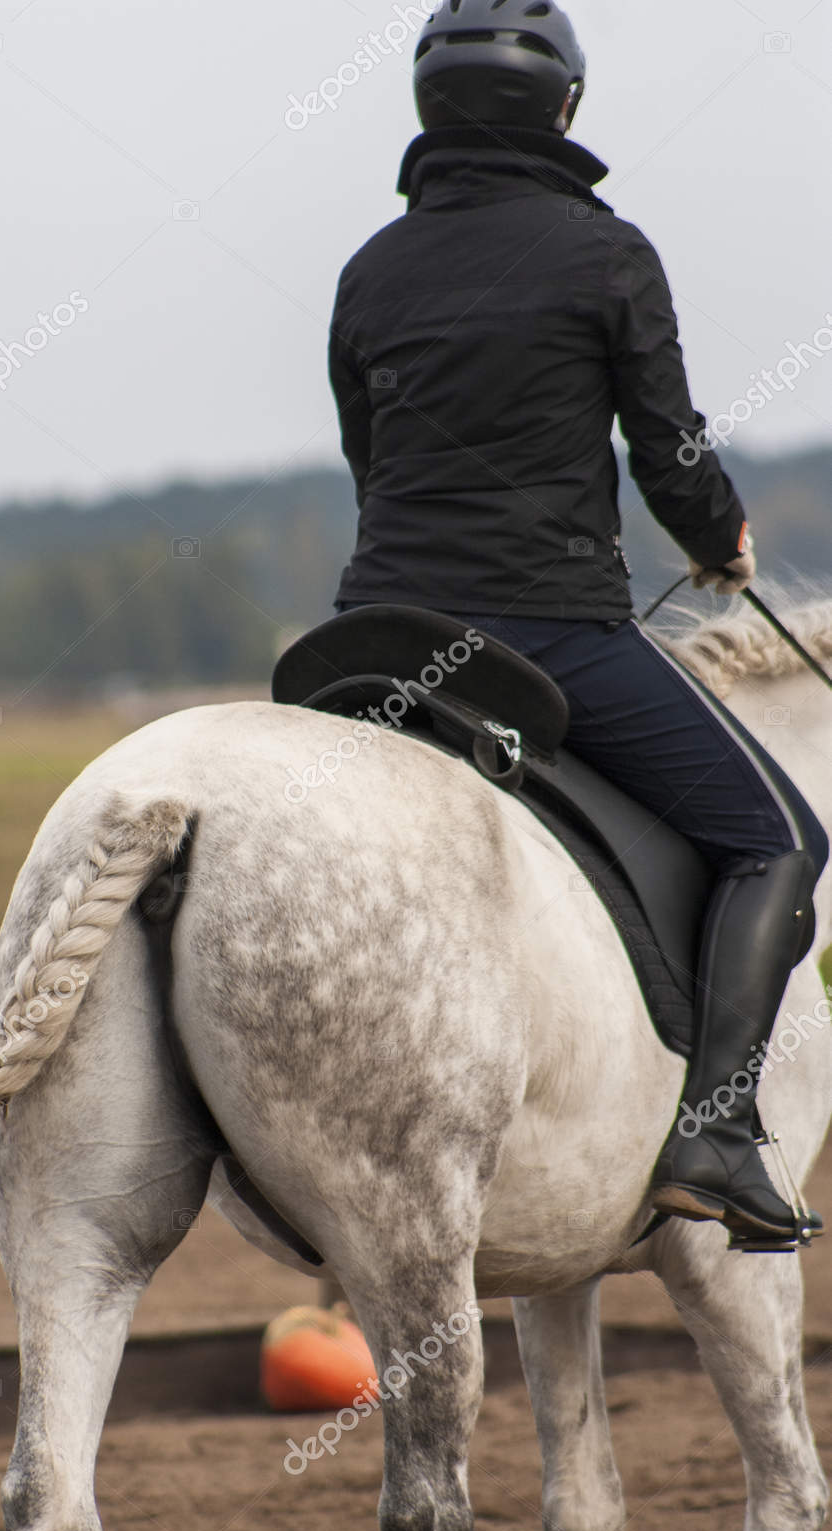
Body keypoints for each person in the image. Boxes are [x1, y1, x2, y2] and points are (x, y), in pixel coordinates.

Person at [329, 0, 827, 1247]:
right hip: (544, 630)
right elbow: (668, 448)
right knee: (776, 842)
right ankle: (713, 1129)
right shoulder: (604, 253)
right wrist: (718, 541)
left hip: (374, 631)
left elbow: (368, 463)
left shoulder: (369, 269)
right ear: (563, 110)